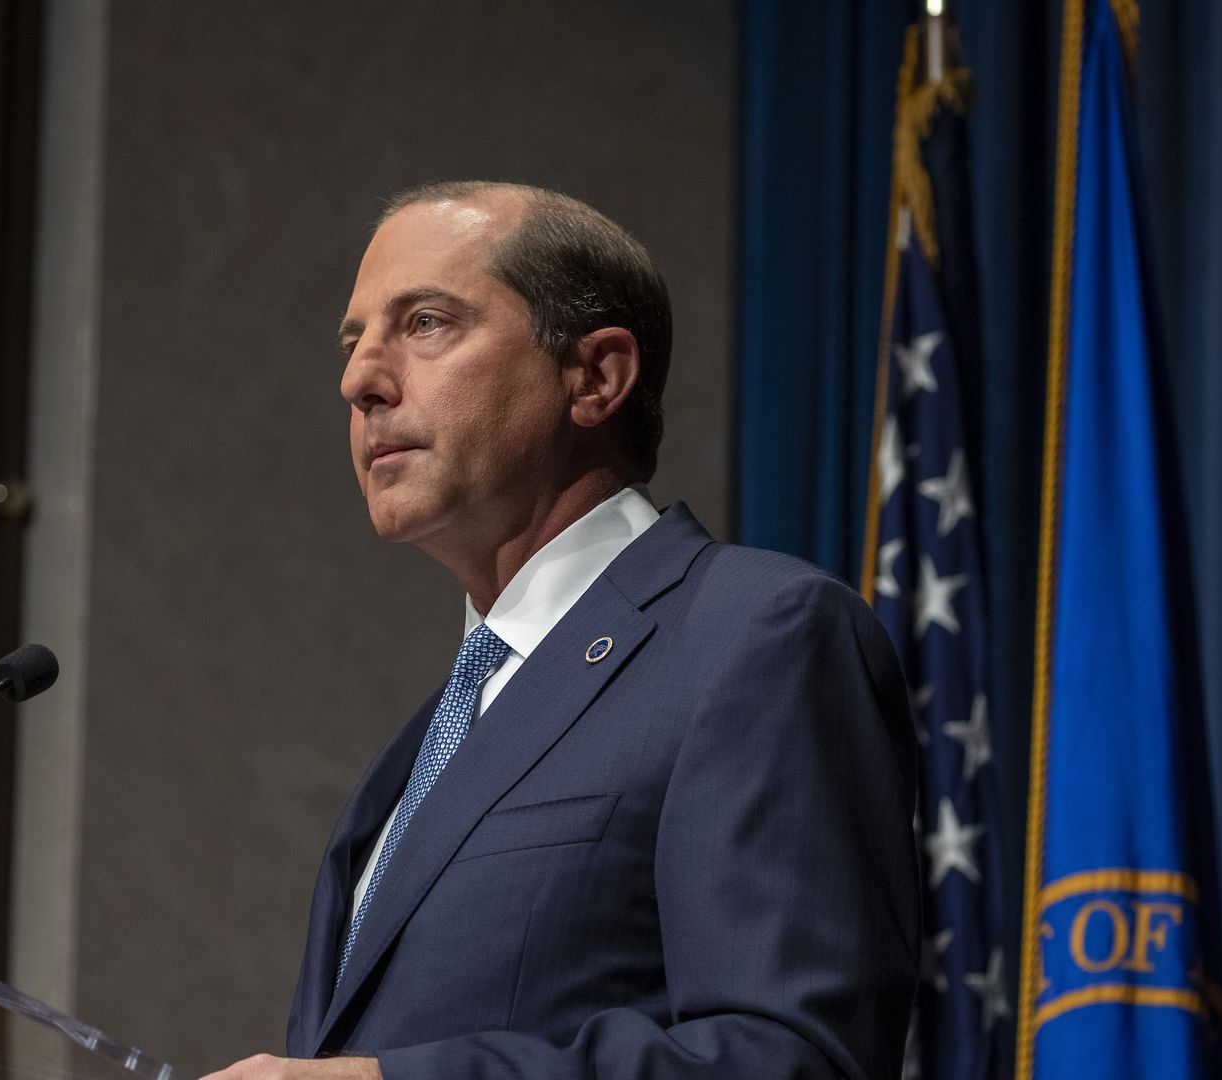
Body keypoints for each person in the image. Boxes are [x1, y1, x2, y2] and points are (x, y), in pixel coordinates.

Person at [203, 182, 918, 1080]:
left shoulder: (757, 637)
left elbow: (796, 1058)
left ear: (596, 376)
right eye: (353, 344)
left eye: (425, 323)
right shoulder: (423, 745)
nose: (360, 381)